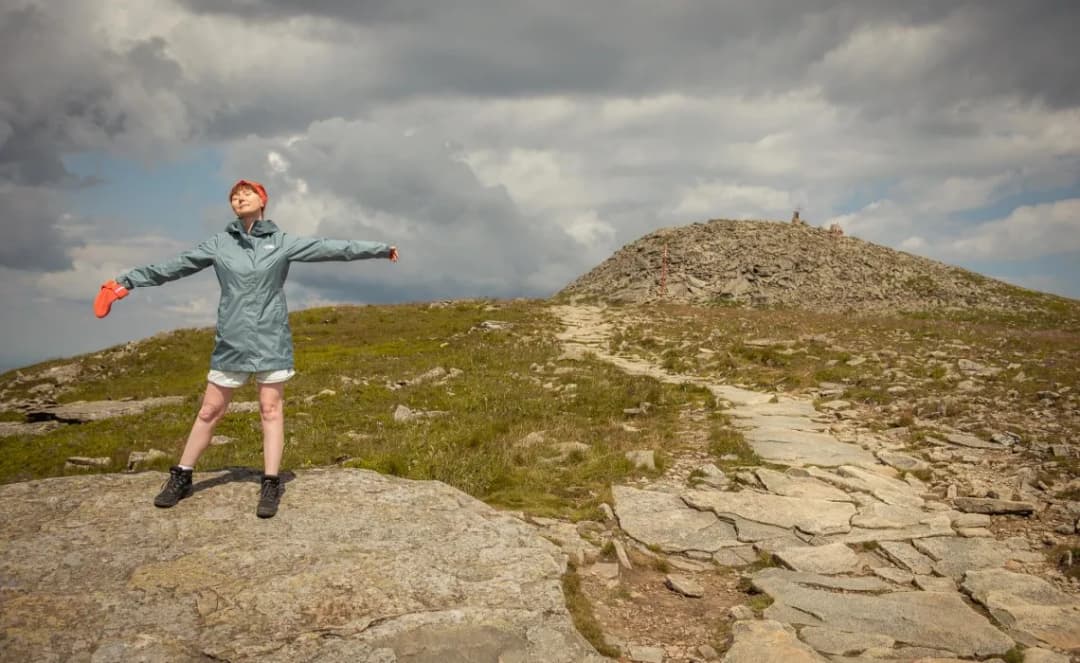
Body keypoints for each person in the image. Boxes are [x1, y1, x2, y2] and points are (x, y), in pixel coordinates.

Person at [94, 179, 398, 518]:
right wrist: (125, 282)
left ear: (262, 200)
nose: (239, 197)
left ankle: (270, 482)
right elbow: (174, 265)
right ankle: (181, 476)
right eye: (234, 196)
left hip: (271, 338)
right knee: (210, 410)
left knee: (270, 409)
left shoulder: (282, 242)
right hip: (232, 339)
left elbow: (330, 248)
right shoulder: (220, 244)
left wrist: (379, 248)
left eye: (247, 193)